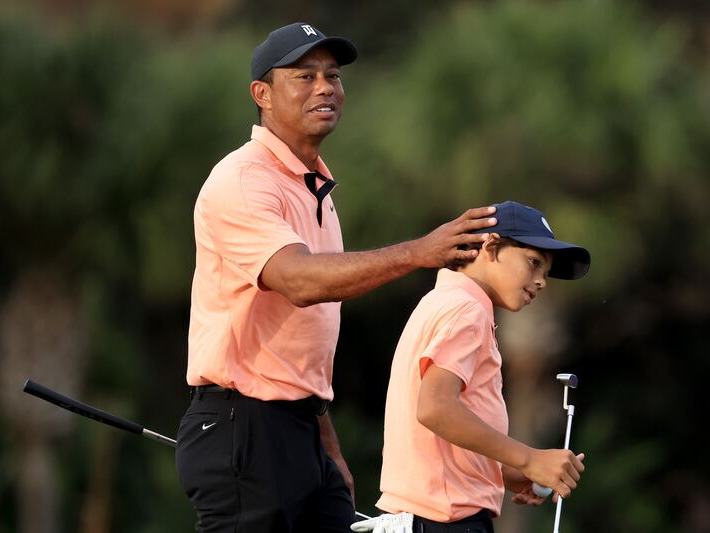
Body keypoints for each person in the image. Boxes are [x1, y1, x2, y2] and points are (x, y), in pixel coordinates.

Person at [175, 21, 498, 533]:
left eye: (333, 76)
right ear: (262, 94)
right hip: (243, 429)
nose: (325, 87)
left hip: (301, 430)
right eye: (304, 76)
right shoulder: (241, 179)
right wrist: (418, 252)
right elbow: (300, 281)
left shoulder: (315, 188)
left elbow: (298, 351)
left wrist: (328, 451)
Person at [351, 201, 591, 533]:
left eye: (545, 273)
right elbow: (435, 408)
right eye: (533, 263)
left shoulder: (443, 302)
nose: (541, 281)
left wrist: (510, 474)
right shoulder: (468, 311)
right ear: (491, 246)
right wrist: (529, 459)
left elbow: (445, 437)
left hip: (423, 519)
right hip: (445, 522)